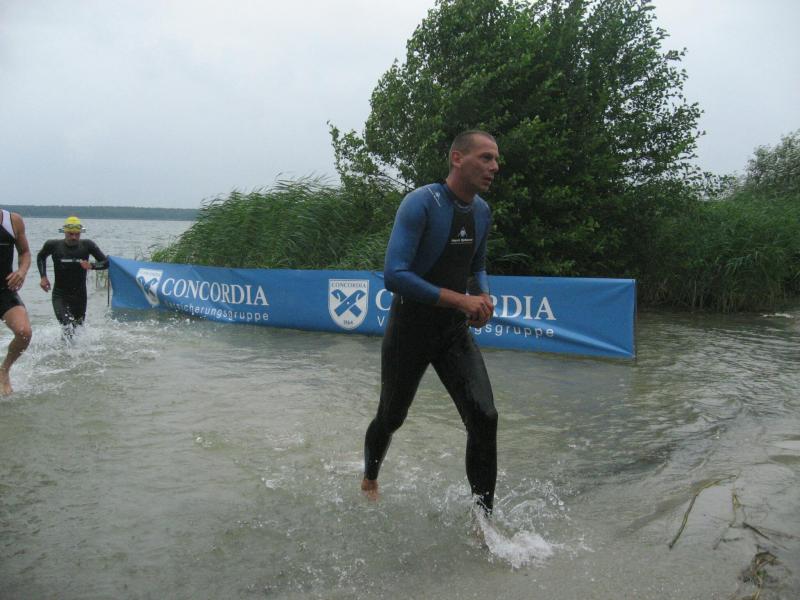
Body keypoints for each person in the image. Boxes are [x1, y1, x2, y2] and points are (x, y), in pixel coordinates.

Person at [361, 130, 500, 515]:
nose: (494, 167)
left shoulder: (482, 212)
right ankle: (370, 476)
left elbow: (477, 267)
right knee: (391, 417)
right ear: (457, 158)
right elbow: (395, 275)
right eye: (486, 158)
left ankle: (483, 521)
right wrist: (462, 300)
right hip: (410, 329)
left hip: (452, 331)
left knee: (484, 417)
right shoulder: (421, 203)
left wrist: (483, 300)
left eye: (495, 160)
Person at [37, 216, 108, 336]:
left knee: (78, 329)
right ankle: (63, 348)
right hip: (60, 295)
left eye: (77, 234)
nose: (74, 237)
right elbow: (41, 257)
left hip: (80, 296)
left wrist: (92, 266)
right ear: (64, 232)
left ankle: (67, 348)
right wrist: (43, 277)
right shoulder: (53, 245)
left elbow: (106, 263)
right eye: (70, 234)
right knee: (67, 324)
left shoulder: (87, 245)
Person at [0, 208, 33, 395]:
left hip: (5, 290)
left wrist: (21, 271)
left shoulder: (12, 221)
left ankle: (4, 370)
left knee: (24, 332)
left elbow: (25, 252)